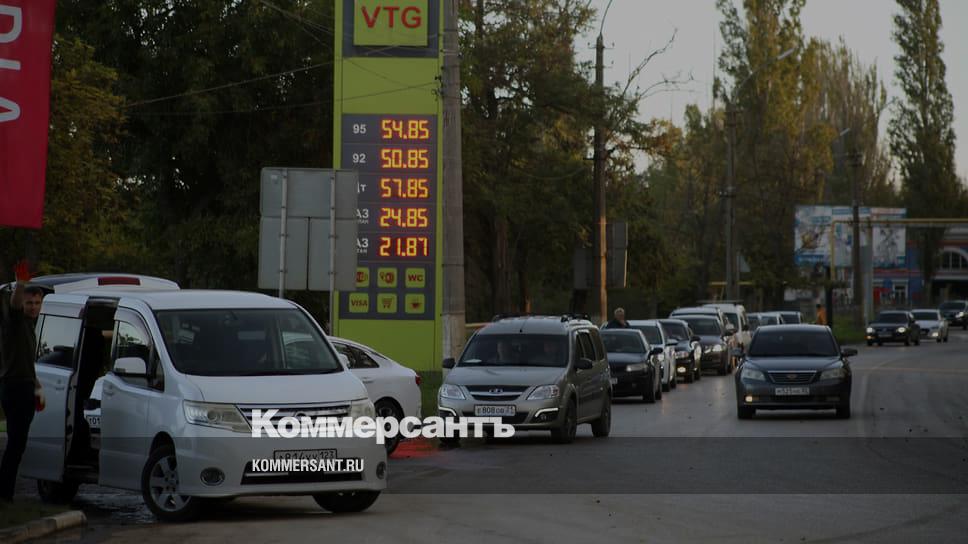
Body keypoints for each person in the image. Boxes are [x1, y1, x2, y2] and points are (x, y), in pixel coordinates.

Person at [0, 260, 44, 502]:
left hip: (24, 385)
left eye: (37, 303)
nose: (33, 307)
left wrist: (36, 385)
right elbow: (15, 305)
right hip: (14, 387)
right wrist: (20, 285)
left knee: (18, 444)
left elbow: (24, 360)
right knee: (16, 443)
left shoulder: (29, 326)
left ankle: (5, 492)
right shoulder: (16, 322)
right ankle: (4, 494)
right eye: (30, 303)